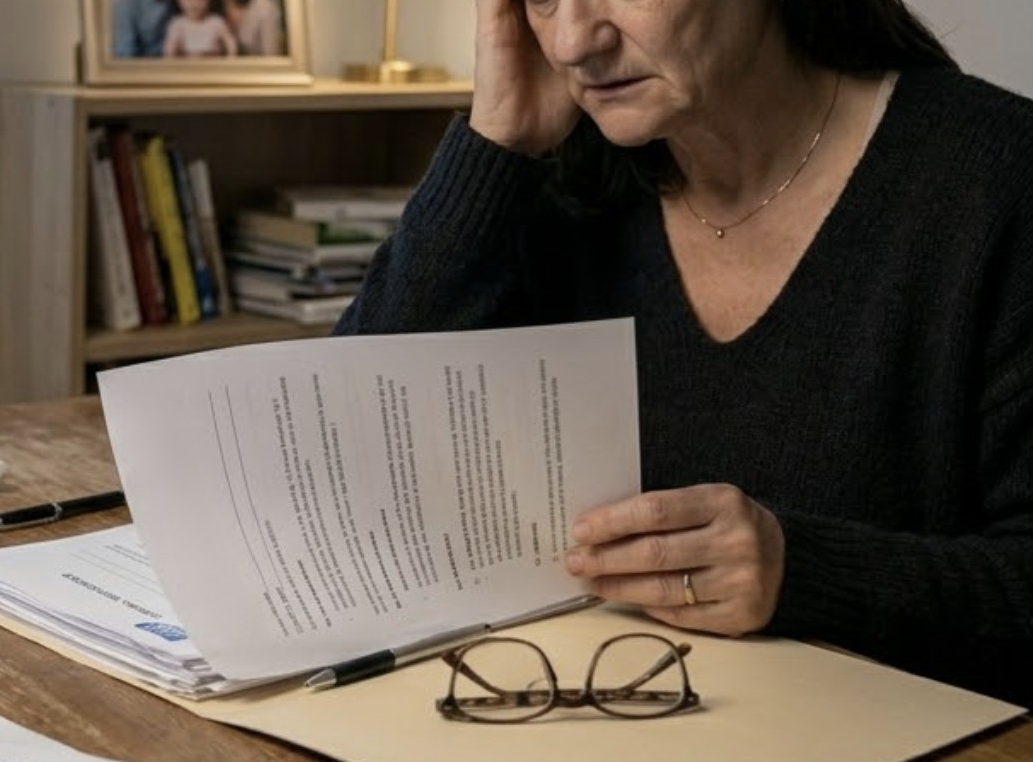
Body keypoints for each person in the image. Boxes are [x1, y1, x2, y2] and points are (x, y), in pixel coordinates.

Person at [333, 0, 1033, 707]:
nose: (574, 42)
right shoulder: (559, 185)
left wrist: (803, 574)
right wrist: (493, 146)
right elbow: (343, 443)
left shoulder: (1000, 180)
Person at [163, 0, 238, 57]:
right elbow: (169, 51)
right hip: (185, 69)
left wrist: (230, 59)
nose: (194, 3)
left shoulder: (216, 22)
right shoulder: (177, 24)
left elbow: (231, 44)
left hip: (213, 67)